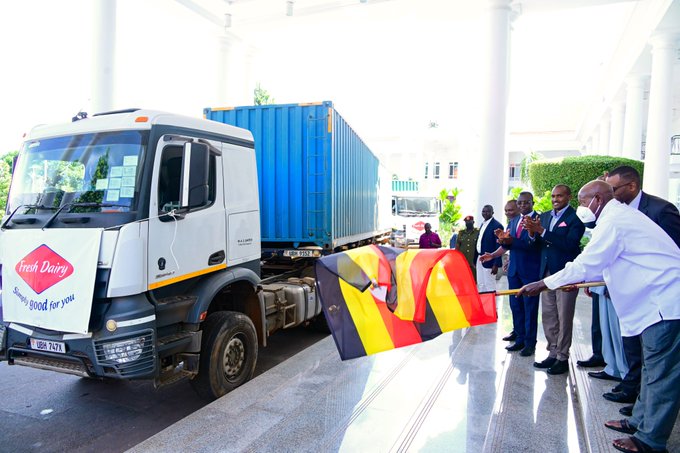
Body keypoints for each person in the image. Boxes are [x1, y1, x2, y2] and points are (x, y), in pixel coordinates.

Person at [518, 180, 680, 453]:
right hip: (655, 304)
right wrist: (573, 279)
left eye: (582, 202)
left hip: (664, 304)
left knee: (661, 375)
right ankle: (638, 421)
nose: (581, 207)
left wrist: (544, 283)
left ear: (598, 199)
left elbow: (587, 262)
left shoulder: (614, 221)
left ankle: (650, 441)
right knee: (651, 369)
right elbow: (604, 263)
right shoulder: (617, 217)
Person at [602, 165, 680, 413]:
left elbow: (672, 253)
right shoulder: (617, 213)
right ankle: (634, 395)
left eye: (613, 189)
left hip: (658, 300)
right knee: (634, 347)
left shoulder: (661, 209)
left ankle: (645, 410)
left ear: (632, 186)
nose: (610, 195)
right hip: (633, 296)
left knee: (655, 360)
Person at [523, 185, 585, 374]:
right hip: (546, 273)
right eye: (553, 196)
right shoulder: (544, 216)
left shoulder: (576, 219)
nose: (555, 199)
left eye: (559, 196)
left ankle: (562, 357)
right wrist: (532, 233)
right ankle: (552, 352)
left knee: (564, 316)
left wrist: (542, 231)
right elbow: (537, 244)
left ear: (569, 197)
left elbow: (569, 244)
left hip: (565, 274)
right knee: (549, 315)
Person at [480, 192, 541, 357]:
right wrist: (492, 255)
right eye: (520, 203)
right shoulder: (513, 222)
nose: (522, 205)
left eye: (525, 202)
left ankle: (530, 343)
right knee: (516, 306)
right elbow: (507, 245)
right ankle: (519, 338)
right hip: (514, 271)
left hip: (530, 271)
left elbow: (533, 244)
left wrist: (511, 241)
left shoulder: (538, 220)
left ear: (532, 203)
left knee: (530, 308)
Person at [501, 200, 520, 341]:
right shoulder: (511, 224)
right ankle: (517, 331)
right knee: (514, 304)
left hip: (527, 271)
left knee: (526, 307)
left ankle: (525, 339)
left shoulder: (529, 222)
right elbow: (508, 246)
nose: (508, 213)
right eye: (506, 211)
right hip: (513, 269)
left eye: (510, 210)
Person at [475, 205, 503, 292]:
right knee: (481, 283)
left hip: (490, 260)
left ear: (492, 212)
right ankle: (483, 301)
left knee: (489, 284)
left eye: (487, 211)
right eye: (483, 211)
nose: (485, 213)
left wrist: (496, 264)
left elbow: (499, 245)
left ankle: (491, 301)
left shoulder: (497, 225)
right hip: (480, 258)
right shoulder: (482, 224)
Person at [455, 215, 479, 280]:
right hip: (463, 260)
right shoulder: (461, 233)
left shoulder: (477, 232)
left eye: (470, 222)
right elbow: (457, 246)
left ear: (473, 222)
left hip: (474, 260)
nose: (468, 223)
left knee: (474, 279)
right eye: (466, 222)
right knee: (463, 278)